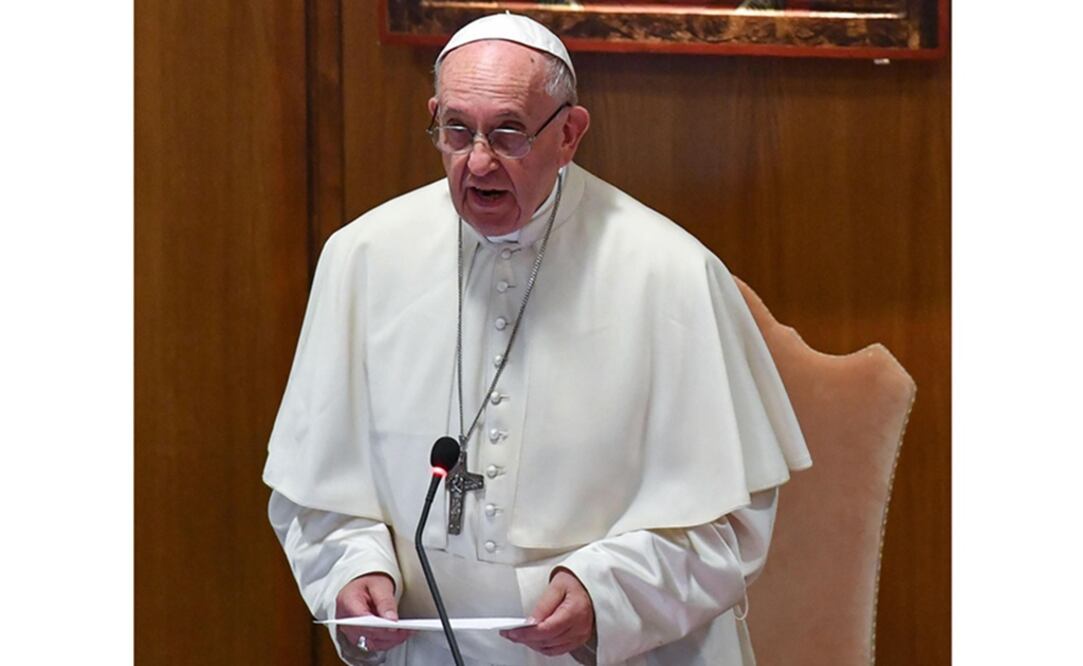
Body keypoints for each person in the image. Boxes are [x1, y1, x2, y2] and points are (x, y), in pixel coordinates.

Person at [263, 12, 810, 666]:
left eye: (509, 133)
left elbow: (729, 525)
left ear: (569, 133)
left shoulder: (670, 274)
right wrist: (351, 570)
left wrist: (602, 594)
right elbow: (313, 490)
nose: (478, 160)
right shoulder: (361, 257)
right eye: (456, 130)